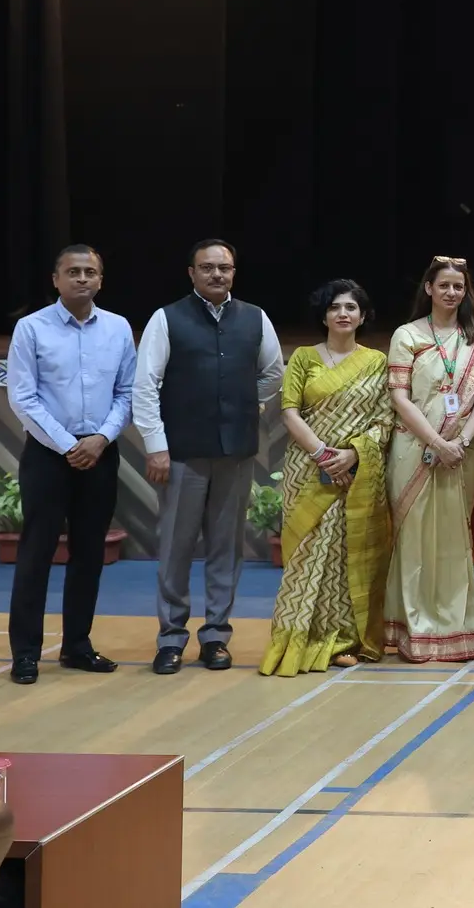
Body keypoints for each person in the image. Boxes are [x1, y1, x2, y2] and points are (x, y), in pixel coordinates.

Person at [134, 239, 286, 675]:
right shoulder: (166, 318)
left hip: (235, 452)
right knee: (175, 548)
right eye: (207, 267)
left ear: (234, 272)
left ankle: (216, 636)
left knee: (226, 549)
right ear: (192, 273)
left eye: (225, 267)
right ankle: (171, 639)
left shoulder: (255, 317)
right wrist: (156, 446)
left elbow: (273, 373)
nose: (217, 274)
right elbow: (145, 386)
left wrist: (244, 401)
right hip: (181, 453)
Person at [4, 245, 136, 684]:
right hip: (48, 454)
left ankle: (77, 645)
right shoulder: (31, 328)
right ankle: (26, 652)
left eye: (90, 272)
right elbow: (23, 397)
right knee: (36, 552)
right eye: (73, 271)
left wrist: (100, 439)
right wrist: (67, 445)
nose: (82, 279)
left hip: (100, 452)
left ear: (101, 280)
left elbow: (126, 392)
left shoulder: (118, 328)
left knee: (89, 553)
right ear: (55, 279)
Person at [261, 281, 394, 676]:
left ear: (363, 316)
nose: (343, 314)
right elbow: (289, 412)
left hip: (355, 471)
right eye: (335, 307)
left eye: (351, 307)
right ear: (324, 316)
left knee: (345, 555)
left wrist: (352, 455)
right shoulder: (304, 358)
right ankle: (298, 636)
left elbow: (384, 420)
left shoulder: (376, 362)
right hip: (308, 470)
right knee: (306, 555)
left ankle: (344, 640)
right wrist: (322, 454)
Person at [383, 255, 474, 664]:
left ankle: (455, 629)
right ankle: (414, 630)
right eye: (444, 285)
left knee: (454, 540)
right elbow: (399, 397)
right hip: (414, 449)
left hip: (462, 452)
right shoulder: (407, 335)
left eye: (459, 286)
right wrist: (436, 442)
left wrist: (461, 441)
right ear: (429, 289)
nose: (452, 292)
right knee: (414, 538)